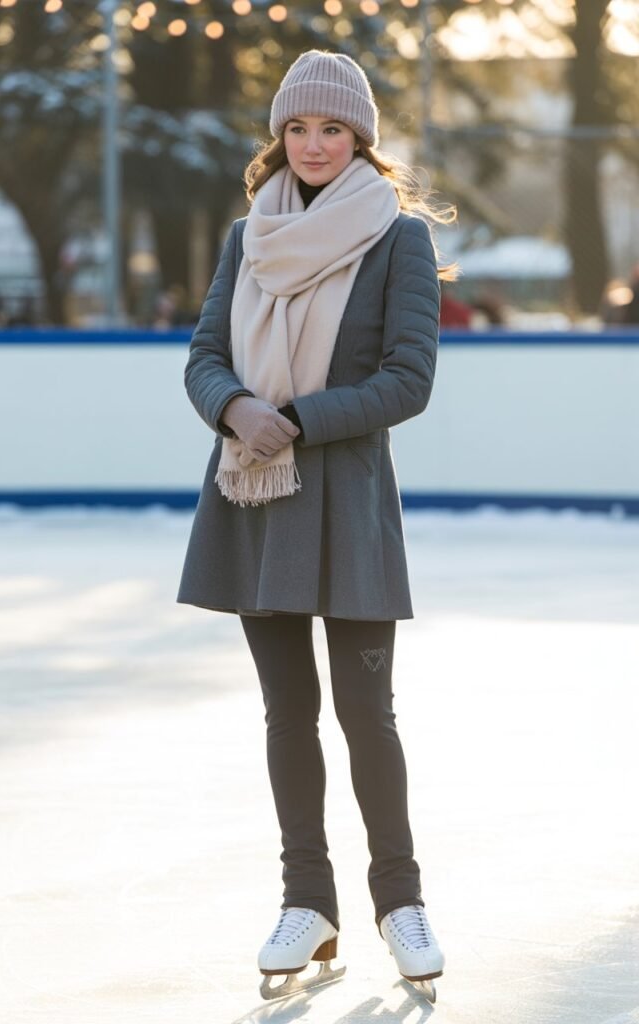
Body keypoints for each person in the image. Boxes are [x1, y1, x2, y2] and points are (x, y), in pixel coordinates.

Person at [177, 49, 458, 999]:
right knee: (286, 714)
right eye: (297, 128)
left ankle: (399, 902)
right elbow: (206, 354)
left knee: (365, 713)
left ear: (360, 141)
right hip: (256, 497)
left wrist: (293, 418)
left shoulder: (398, 240)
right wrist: (231, 408)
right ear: (279, 138)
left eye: (331, 129)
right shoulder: (247, 234)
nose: (312, 145)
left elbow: (408, 381)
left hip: (345, 504)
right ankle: (310, 899)